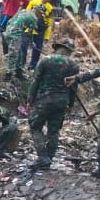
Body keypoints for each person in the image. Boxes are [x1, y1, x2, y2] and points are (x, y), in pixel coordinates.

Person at [27, 40, 79, 169]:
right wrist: (71, 104)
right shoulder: (74, 65)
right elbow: (74, 87)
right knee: (54, 131)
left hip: (44, 99)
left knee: (35, 127)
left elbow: (35, 81)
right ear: (69, 51)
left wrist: (30, 99)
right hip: (62, 101)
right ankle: (48, 159)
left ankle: (43, 157)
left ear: (57, 47)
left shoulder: (45, 60)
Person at [4, 6, 40, 81]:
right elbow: (30, 33)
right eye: (40, 13)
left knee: (20, 53)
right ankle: (8, 75)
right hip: (15, 35)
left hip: (8, 32)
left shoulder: (24, 11)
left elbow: (10, 21)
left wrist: (8, 29)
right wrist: (31, 43)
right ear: (38, 11)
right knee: (14, 55)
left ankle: (18, 72)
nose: (40, 16)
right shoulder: (33, 18)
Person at [24, 0, 54, 70]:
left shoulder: (50, 7)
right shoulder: (33, 3)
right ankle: (21, 64)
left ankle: (33, 65)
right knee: (23, 47)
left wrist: (47, 36)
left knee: (37, 49)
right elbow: (26, 14)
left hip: (40, 31)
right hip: (29, 30)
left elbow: (49, 23)